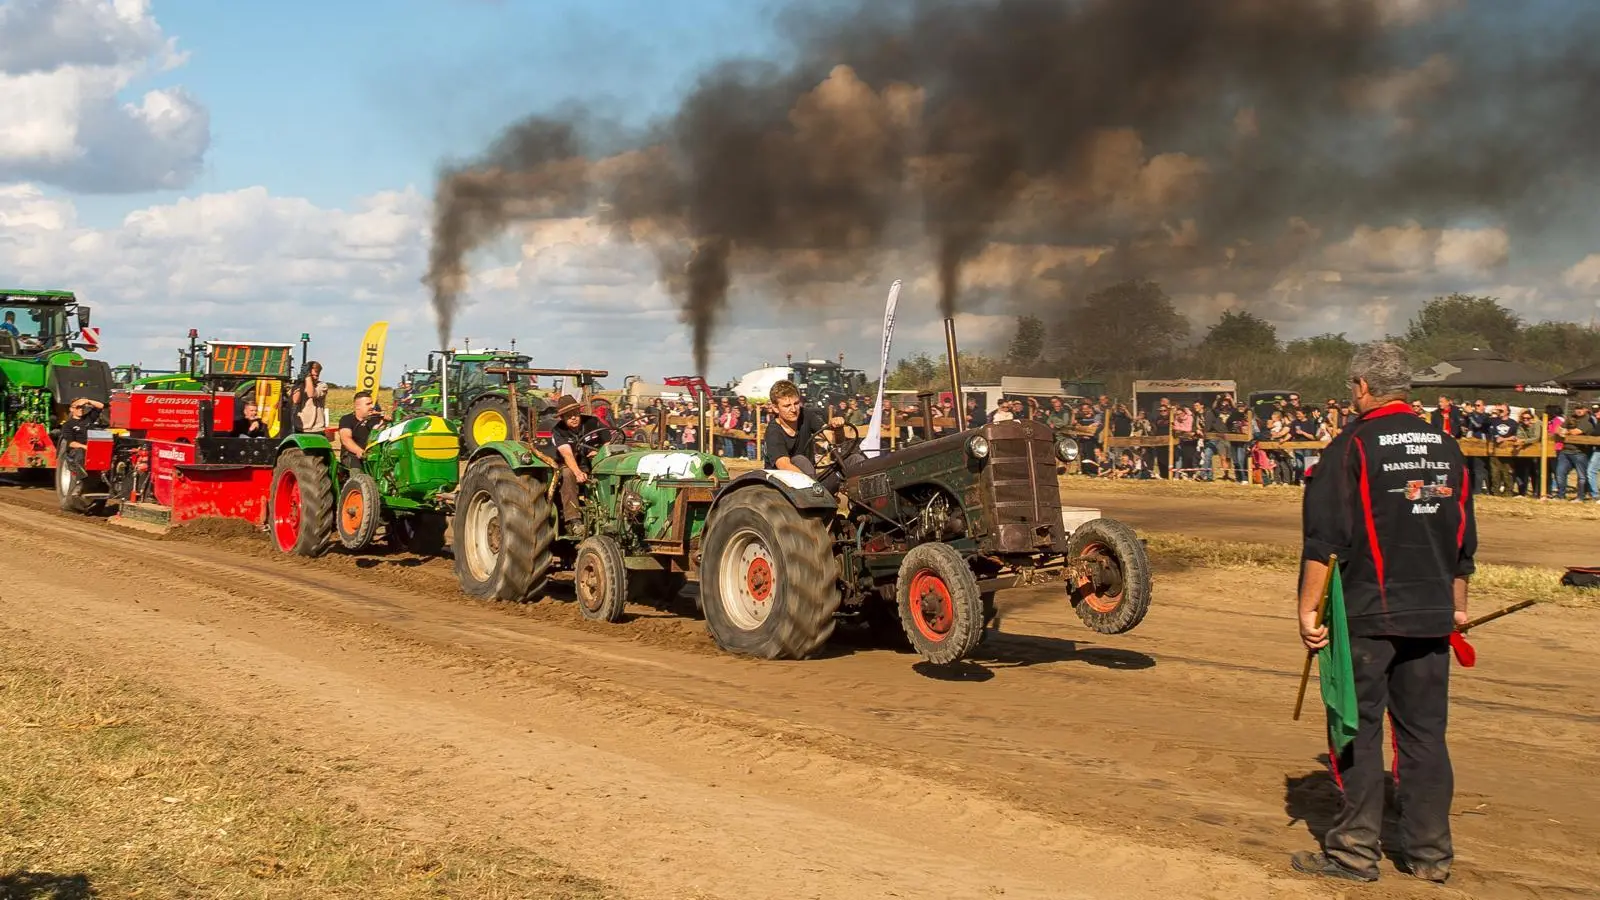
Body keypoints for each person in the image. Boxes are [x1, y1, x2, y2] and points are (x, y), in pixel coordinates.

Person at [1292, 341, 1475, 885]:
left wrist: (1307, 612)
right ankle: (1430, 855)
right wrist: (1458, 608)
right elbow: (1463, 540)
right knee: (1424, 737)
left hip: (1367, 616)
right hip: (1434, 613)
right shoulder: (1448, 446)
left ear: (1361, 388)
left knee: (1357, 731)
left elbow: (1325, 541)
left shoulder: (1349, 446)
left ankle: (1353, 853)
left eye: (1352, 388)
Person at [763, 379, 856, 490]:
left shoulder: (806, 415)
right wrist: (813, 485)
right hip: (785, 485)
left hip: (810, 477)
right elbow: (784, 465)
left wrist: (838, 428)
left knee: (854, 460)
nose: (793, 409)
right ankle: (818, 495)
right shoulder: (773, 432)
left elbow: (834, 440)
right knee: (800, 460)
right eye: (787, 406)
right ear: (775, 408)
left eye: (796, 403)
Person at [550, 394, 605, 534]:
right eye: (569, 416)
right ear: (562, 418)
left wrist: (600, 452)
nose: (573, 418)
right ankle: (574, 521)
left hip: (593, 461)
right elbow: (567, 454)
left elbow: (609, 440)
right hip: (569, 465)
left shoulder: (592, 422)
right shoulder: (558, 431)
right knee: (568, 474)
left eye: (575, 414)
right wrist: (578, 472)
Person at [336, 390, 389, 473]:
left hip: (373, 455)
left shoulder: (375, 419)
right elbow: (346, 439)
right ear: (358, 406)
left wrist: (385, 420)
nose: (372, 406)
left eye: (372, 403)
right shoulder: (347, 419)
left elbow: (378, 430)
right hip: (352, 454)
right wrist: (359, 451)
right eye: (368, 404)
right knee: (357, 472)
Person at [59, 397, 106, 478]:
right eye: (77, 407)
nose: (80, 409)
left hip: (92, 447)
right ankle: (79, 478)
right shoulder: (67, 425)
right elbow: (71, 443)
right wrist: (86, 447)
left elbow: (101, 406)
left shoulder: (89, 418)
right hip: (79, 450)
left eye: (82, 407)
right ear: (71, 409)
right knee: (79, 453)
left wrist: (88, 401)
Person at [293, 361, 329, 433]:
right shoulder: (300, 385)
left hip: (316, 428)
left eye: (317, 375)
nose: (315, 378)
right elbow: (296, 400)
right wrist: (300, 383)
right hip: (300, 427)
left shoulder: (322, 386)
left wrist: (308, 377)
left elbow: (311, 394)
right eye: (312, 375)